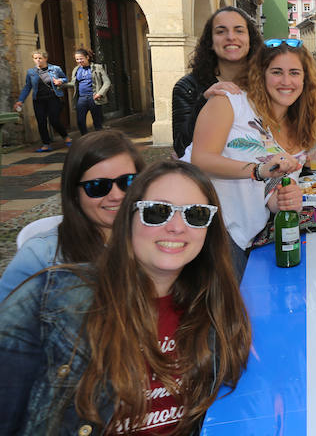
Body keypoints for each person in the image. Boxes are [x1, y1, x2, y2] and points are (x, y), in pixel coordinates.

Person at [0, 159, 252, 435]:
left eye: (196, 214)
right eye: (158, 212)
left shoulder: (213, 306)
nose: (177, 227)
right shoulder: (52, 297)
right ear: (128, 218)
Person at [188, 40, 316, 277]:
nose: (286, 81)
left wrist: (287, 198)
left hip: (245, 237)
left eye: (294, 73)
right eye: (277, 72)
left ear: (305, 79)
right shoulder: (230, 102)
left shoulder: (299, 131)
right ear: (261, 74)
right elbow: (200, 160)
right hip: (207, 230)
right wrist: (258, 170)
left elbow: (271, 193)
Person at [0, 130, 145, 300]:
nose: (117, 196)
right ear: (74, 193)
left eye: (128, 181)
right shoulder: (40, 257)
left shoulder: (158, 240)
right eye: (97, 186)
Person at [172, 6, 263, 158]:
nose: (231, 37)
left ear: (250, 39)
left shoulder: (267, 82)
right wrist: (204, 101)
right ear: (210, 42)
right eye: (221, 31)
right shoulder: (188, 87)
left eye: (239, 30)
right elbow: (182, 147)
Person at [13, 49, 71, 152]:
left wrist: (60, 81)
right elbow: (27, 87)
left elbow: (65, 79)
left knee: (54, 120)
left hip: (53, 98)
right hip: (38, 100)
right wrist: (20, 100)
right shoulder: (31, 72)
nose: (38, 60)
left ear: (45, 58)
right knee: (41, 122)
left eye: (40, 58)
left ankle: (65, 136)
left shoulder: (55, 69)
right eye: (35, 58)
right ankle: (46, 144)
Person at [66, 48, 111, 135]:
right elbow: (73, 83)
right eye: (77, 59)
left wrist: (100, 93)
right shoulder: (76, 69)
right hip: (82, 98)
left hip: (94, 98)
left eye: (81, 58)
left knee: (97, 122)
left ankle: (100, 140)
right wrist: (61, 84)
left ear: (87, 57)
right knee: (80, 121)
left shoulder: (97, 67)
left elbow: (107, 82)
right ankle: (85, 139)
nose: (79, 61)